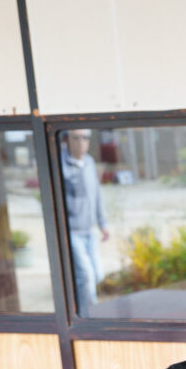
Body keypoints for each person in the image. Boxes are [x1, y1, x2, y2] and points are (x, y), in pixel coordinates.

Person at [61, 129, 109, 315]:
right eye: (76, 137)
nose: (81, 142)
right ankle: (88, 316)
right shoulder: (60, 163)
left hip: (90, 230)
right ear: (67, 139)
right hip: (72, 231)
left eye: (86, 137)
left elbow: (96, 195)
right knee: (85, 276)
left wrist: (102, 224)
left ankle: (86, 310)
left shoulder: (89, 162)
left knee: (97, 275)